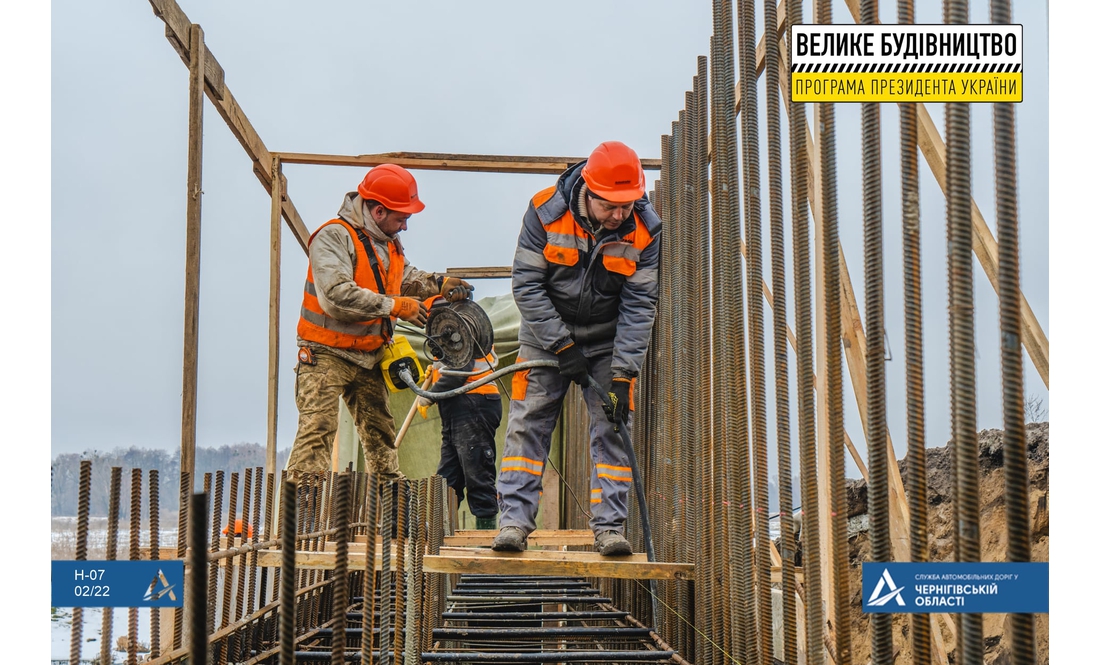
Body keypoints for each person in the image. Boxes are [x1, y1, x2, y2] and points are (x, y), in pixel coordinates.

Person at [492, 141, 661, 556]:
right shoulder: (545, 211)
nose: (621, 215)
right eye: (611, 207)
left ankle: (609, 529)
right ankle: (514, 522)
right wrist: (561, 346)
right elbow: (526, 287)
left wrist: (623, 375)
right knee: (528, 423)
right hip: (545, 332)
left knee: (613, 429)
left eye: (628, 205)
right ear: (588, 190)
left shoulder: (646, 228)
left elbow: (640, 306)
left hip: (607, 339)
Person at [286, 164, 473, 480]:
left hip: (368, 355)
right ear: (378, 210)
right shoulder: (333, 237)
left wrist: (438, 282)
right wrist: (395, 307)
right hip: (326, 354)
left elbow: (404, 278)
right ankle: (300, 520)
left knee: (381, 436)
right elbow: (336, 295)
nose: (405, 226)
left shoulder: (386, 242)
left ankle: (391, 517)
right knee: (317, 431)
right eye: (402, 218)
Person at [417, 332, 503, 530]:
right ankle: (442, 531)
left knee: (477, 472)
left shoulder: (458, 324)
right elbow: (453, 367)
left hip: (473, 402)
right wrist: (439, 371)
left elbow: (460, 372)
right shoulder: (448, 328)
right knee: (448, 477)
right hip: (459, 405)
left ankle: (486, 537)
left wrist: (430, 395)